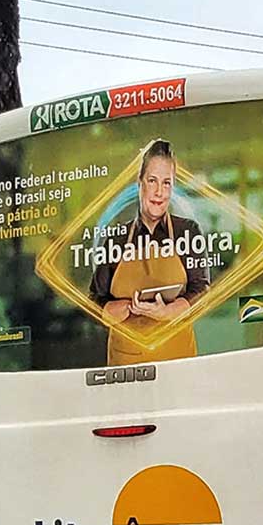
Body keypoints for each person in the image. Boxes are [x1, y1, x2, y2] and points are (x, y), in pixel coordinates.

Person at [85, 139, 212, 365]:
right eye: (152, 181)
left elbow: (200, 289)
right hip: (127, 364)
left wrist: (168, 312)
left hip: (178, 361)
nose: (159, 192)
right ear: (140, 182)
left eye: (166, 183)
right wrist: (125, 308)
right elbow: (95, 300)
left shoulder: (188, 231)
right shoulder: (116, 238)